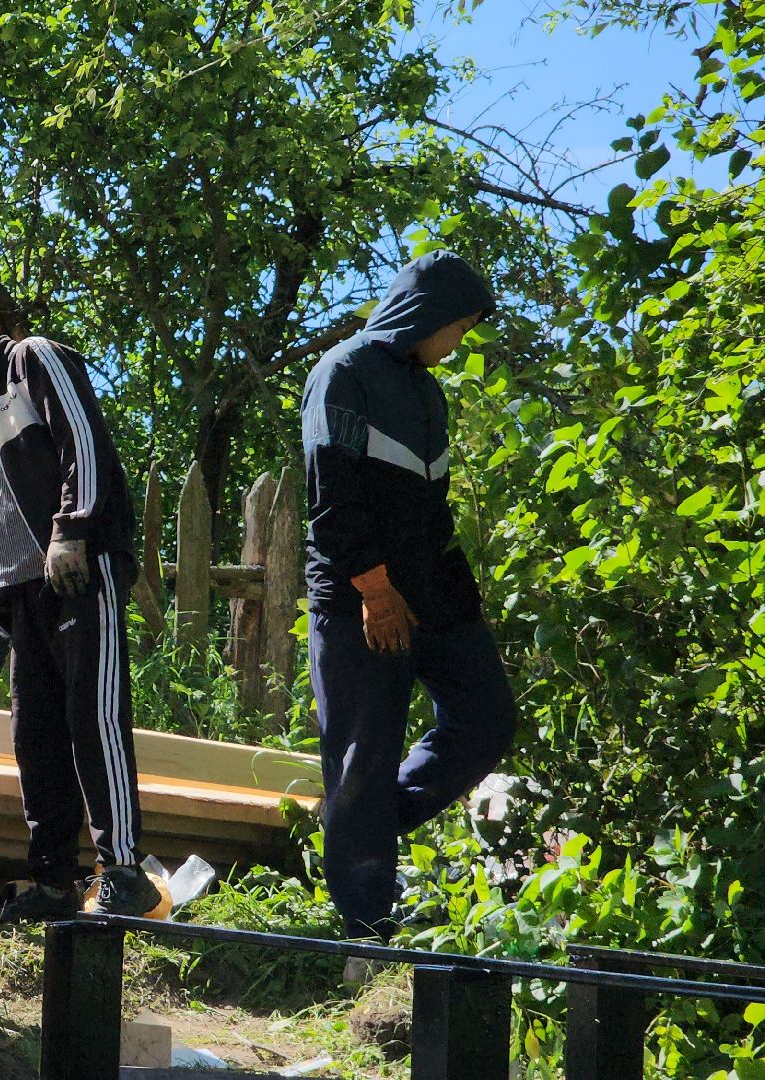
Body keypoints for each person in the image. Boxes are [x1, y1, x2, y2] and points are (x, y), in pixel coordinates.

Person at [0, 309, 163, 921]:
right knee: (35, 737)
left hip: (74, 574)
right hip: (21, 600)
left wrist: (72, 530)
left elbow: (83, 441)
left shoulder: (30, 360)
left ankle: (124, 872)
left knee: (92, 714)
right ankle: (52, 884)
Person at [299, 250, 519, 940]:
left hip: (432, 593)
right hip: (361, 597)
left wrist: (460, 598)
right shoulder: (343, 372)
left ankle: (358, 832)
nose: (458, 343)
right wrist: (375, 589)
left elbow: (431, 509)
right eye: (457, 327)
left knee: (487, 719)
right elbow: (331, 497)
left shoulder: (427, 390)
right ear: (424, 315)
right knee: (364, 754)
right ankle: (366, 920)